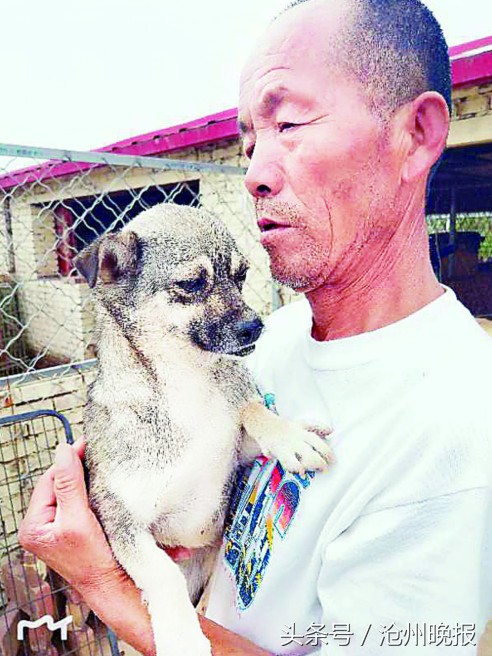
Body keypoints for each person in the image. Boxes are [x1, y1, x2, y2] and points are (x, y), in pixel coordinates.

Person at [18, 0, 492, 654]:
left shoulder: (453, 421)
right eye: (248, 143)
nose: (254, 174)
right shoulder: (276, 338)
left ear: (416, 134)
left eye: (290, 122)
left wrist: (101, 583)